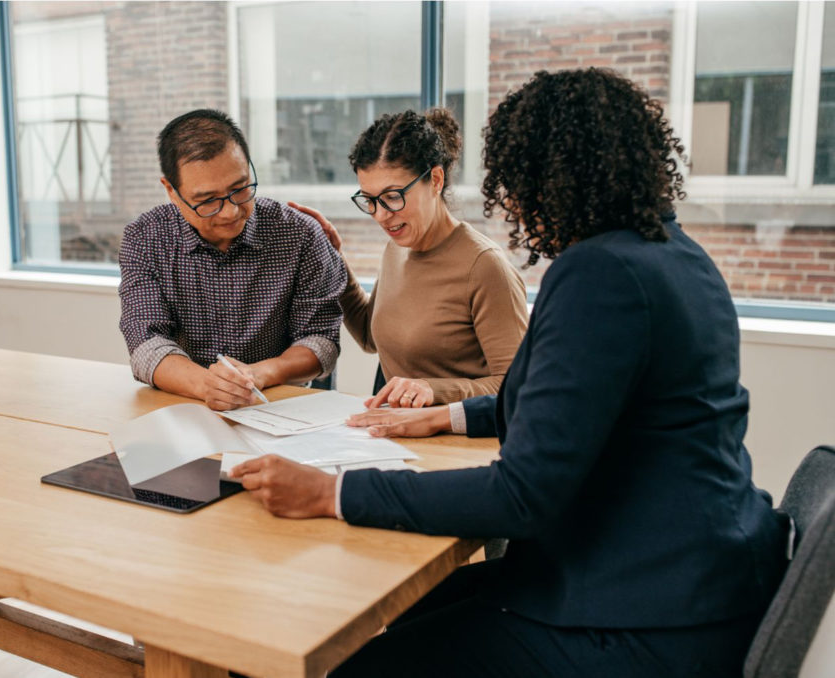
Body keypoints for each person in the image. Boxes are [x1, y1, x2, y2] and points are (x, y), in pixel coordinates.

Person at [230, 69, 788, 676]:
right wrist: (446, 415)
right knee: (411, 607)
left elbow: (522, 495)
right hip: (692, 570)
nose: (514, 204)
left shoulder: (599, 274)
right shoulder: (673, 254)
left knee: (357, 661)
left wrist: (332, 491)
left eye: (518, 183)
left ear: (553, 179)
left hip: (648, 611)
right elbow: (569, 405)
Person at [292, 108, 528, 409]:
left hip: (458, 446)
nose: (380, 215)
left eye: (392, 197)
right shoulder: (397, 248)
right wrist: (334, 259)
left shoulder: (485, 267)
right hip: (399, 434)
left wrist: (433, 390)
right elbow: (369, 337)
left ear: (436, 179)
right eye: (369, 200)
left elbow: (516, 388)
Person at [118, 109, 346, 411]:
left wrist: (259, 374)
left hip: (280, 405)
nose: (230, 212)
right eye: (208, 201)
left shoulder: (299, 233)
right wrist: (207, 385)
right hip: (184, 406)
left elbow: (321, 340)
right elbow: (146, 343)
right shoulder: (145, 238)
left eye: (240, 189)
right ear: (172, 191)